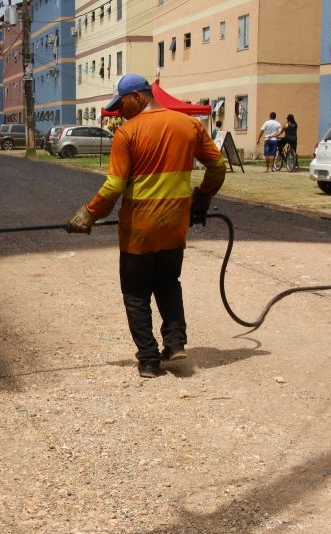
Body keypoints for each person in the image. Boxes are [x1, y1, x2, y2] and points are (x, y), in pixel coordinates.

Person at [66, 74, 226, 378]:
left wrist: (89, 213)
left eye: (121, 104)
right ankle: (176, 343)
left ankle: (149, 360)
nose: (119, 111)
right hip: (174, 226)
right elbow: (217, 165)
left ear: (138, 96)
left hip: (138, 229)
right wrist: (203, 196)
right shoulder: (189, 125)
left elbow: (114, 186)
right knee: (168, 283)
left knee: (136, 293)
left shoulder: (128, 133)